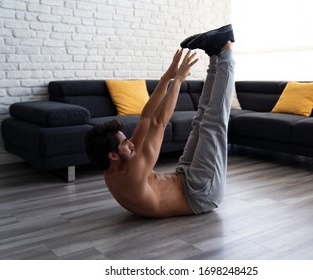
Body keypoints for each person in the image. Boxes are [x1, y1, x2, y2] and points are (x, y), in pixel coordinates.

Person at [85, 24, 235, 218]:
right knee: (212, 123)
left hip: (184, 177)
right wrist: (179, 80)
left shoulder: (113, 168)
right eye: (125, 143)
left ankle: (215, 55)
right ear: (112, 155)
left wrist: (167, 77)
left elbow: (146, 117)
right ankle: (226, 50)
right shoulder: (134, 173)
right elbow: (158, 123)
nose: (131, 143)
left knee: (200, 120)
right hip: (201, 194)